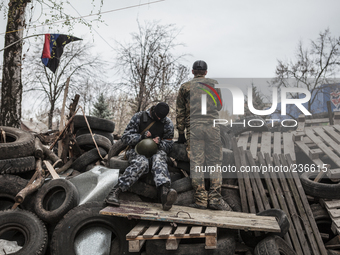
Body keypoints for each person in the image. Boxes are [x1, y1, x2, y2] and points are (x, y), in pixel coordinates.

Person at [176, 60, 231, 211]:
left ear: (193, 71)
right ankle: (215, 199)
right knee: (215, 163)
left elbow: (180, 111)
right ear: (206, 72)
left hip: (194, 128)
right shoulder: (214, 84)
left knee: (197, 164)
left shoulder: (185, 87)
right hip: (212, 127)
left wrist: (181, 132)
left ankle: (200, 200)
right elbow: (219, 106)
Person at [105, 102, 177, 211]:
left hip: (156, 151)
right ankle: (115, 191)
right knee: (142, 162)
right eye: (157, 116)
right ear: (153, 110)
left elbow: (169, 146)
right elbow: (125, 138)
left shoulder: (167, 124)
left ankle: (165, 194)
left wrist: (159, 143)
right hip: (136, 150)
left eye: (161, 118)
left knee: (159, 159)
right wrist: (140, 137)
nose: (158, 119)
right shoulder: (139, 117)